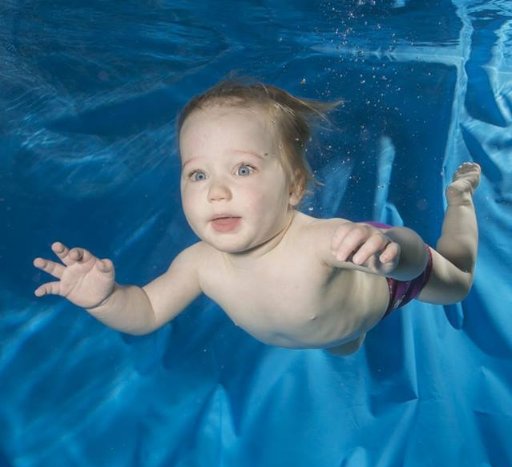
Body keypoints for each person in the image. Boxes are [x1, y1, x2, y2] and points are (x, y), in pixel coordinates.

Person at [33, 80, 480, 356]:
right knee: (343, 343)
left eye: (243, 169)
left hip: (382, 274)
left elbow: (391, 247)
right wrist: (103, 300)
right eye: (198, 173)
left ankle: (459, 201)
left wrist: (395, 252)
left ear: (294, 188)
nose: (217, 191)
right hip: (332, 324)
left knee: (456, 280)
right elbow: (147, 311)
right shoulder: (198, 265)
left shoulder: (327, 242)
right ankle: (346, 332)